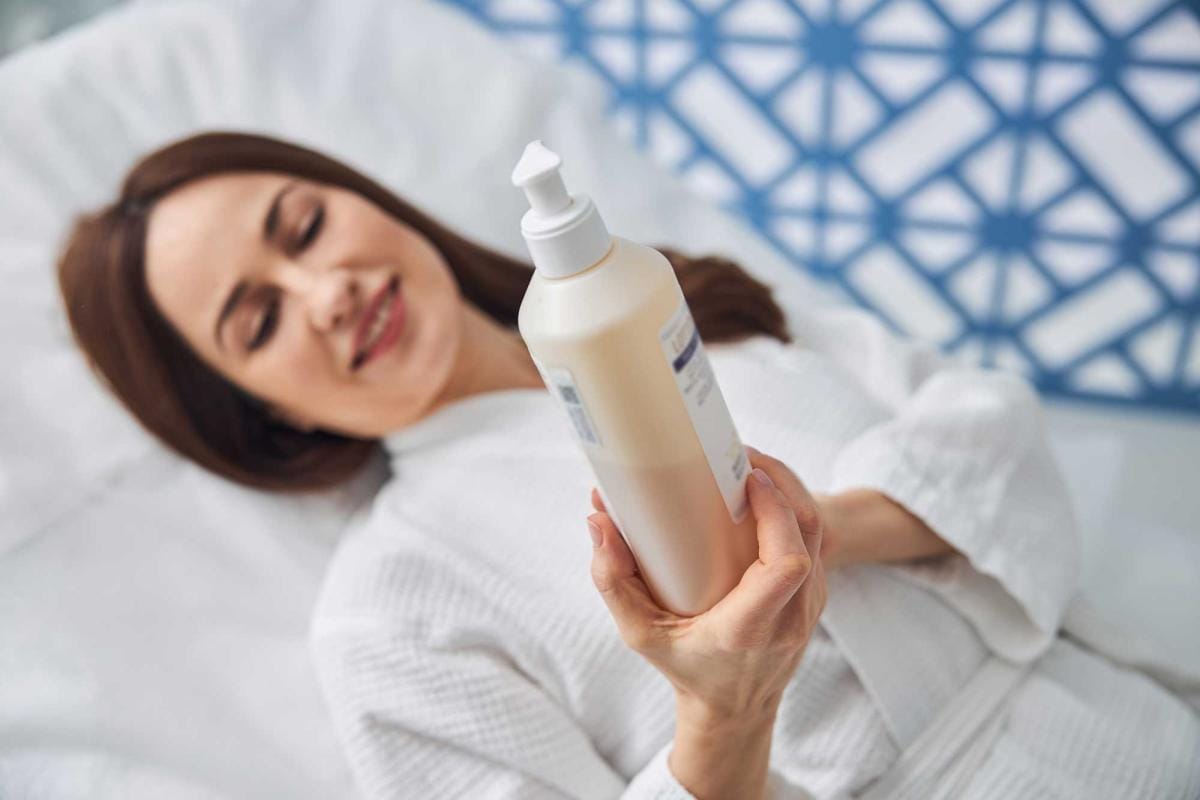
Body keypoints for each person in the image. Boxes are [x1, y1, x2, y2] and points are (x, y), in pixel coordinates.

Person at [57, 132, 1199, 799]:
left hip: (1133, 733)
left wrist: (819, 531)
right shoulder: (390, 614)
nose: (327, 292)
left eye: (303, 227)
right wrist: (721, 712)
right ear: (245, 407)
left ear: (362, 200)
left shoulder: (703, 308)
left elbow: (988, 423)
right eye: (255, 322)